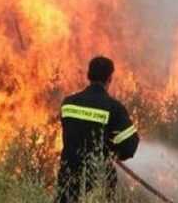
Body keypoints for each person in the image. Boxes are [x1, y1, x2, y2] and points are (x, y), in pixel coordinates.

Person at [56, 56, 139, 203]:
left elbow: (71, 132)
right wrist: (110, 152)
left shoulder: (68, 104)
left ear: (89, 75)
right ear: (110, 78)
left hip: (67, 175)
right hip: (98, 179)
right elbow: (130, 144)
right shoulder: (113, 108)